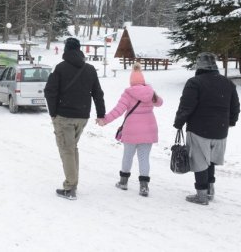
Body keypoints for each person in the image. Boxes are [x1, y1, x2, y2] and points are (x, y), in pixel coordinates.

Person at [173, 52, 240, 205]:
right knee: (210, 161)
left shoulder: (194, 82)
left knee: (200, 161)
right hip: (221, 130)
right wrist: (232, 121)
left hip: (199, 128)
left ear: (199, 65)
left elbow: (186, 105)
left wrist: (179, 122)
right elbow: (235, 106)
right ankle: (210, 190)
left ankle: (201, 195)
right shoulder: (227, 83)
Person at [44, 37, 106, 201]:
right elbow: (98, 93)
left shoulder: (60, 68)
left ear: (66, 50)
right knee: (72, 148)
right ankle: (73, 183)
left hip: (64, 117)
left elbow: (49, 91)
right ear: (79, 50)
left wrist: (53, 113)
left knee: (67, 150)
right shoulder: (90, 69)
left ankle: (70, 187)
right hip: (82, 117)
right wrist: (101, 114)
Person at [98, 62, 162, 197]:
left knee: (128, 156)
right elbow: (160, 103)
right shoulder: (150, 93)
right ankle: (144, 187)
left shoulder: (128, 93)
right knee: (144, 158)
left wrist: (105, 120)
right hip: (149, 130)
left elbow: (118, 110)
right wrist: (152, 93)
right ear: (143, 80)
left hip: (132, 131)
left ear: (131, 81)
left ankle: (123, 182)